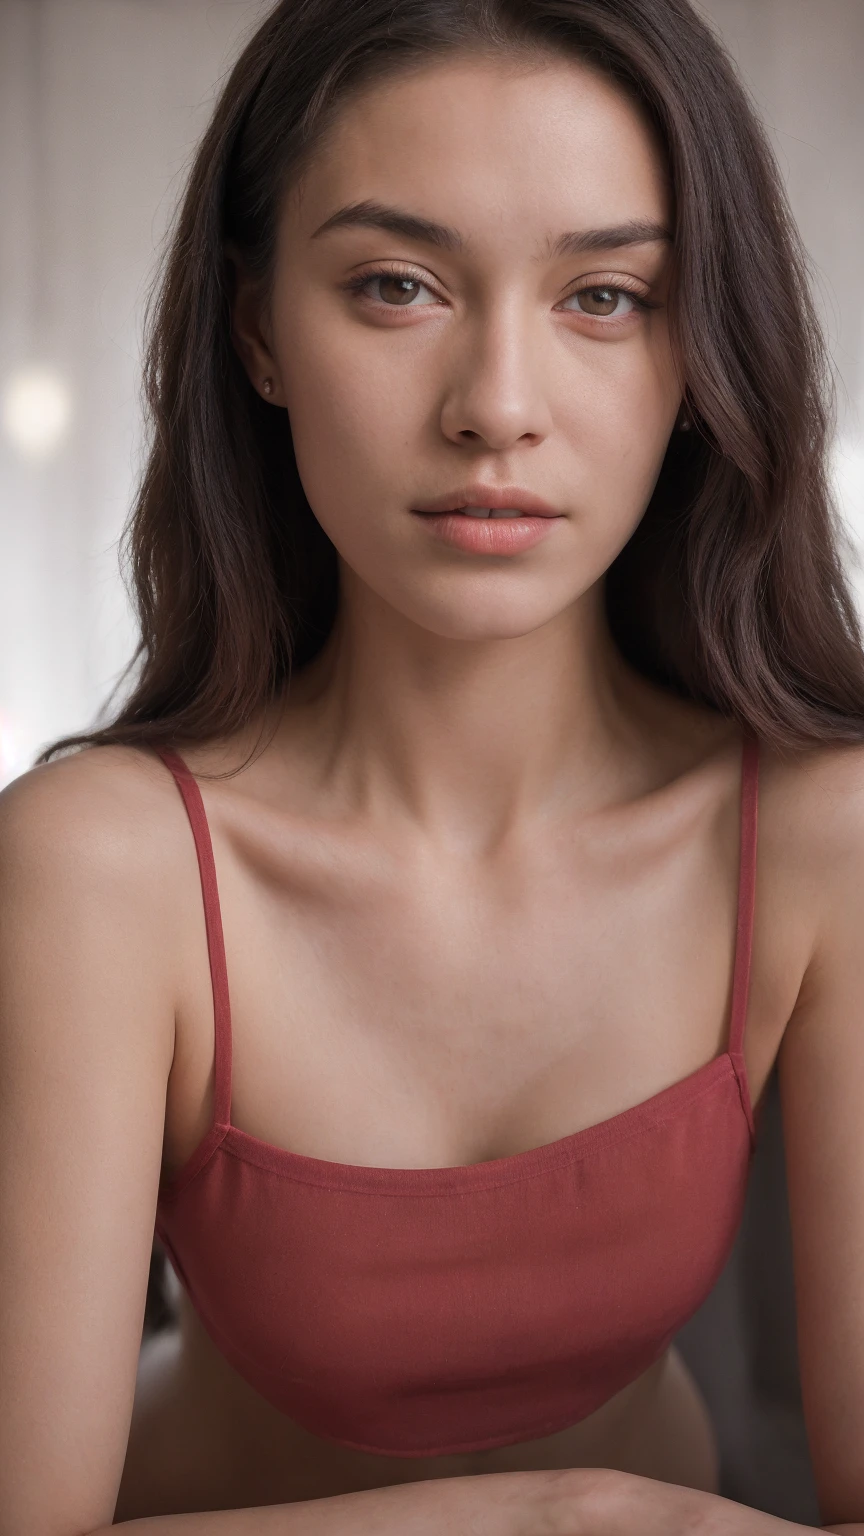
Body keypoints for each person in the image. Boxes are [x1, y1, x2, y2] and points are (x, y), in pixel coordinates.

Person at [2, 0, 864, 1531]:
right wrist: (561, 1517)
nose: (498, 410)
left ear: (699, 346)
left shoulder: (821, 832)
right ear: (259, 327)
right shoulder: (100, 865)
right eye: (397, 286)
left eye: (604, 295)